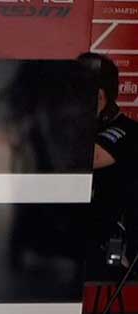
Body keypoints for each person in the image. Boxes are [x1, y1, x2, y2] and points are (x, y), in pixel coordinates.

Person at [78, 52, 138, 271]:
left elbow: (87, 158)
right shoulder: (89, 128)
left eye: (76, 89)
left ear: (99, 97)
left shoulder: (127, 131)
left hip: (109, 247)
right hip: (78, 237)